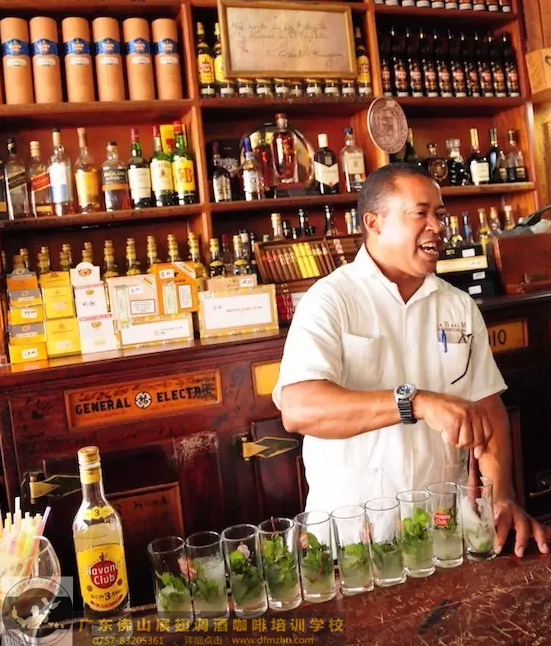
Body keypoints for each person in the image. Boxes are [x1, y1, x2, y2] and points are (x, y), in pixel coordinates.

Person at [273, 163, 550, 558]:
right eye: (421, 213)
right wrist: (415, 402)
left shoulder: (458, 305)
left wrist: (500, 496)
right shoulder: (330, 300)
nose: (437, 226)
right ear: (374, 222)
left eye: (440, 214)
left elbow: (488, 409)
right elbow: (300, 409)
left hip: (444, 534)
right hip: (352, 542)